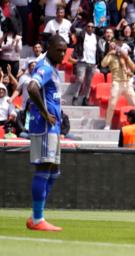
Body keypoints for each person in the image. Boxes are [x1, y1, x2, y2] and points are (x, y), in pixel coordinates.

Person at [25, 35, 67, 231]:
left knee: (54, 172)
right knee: (44, 168)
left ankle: (36, 216)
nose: (62, 53)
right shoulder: (45, 67)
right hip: (44, 126)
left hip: (54, 127)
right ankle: (37, 218)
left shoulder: (52, 68)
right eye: (59, 50)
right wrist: (44, 112)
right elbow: (32, 87)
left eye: (64, 50)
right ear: (49, 47)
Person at [101, 40, 135, 129]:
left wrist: (126, 57)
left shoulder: (126, 57)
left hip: (127, 82)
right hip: (117, 82)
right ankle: (107, 124)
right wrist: (109, 53)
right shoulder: (112, 56)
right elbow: (103, 64)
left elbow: (133, 68)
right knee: (112, 103)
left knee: (134, 104)